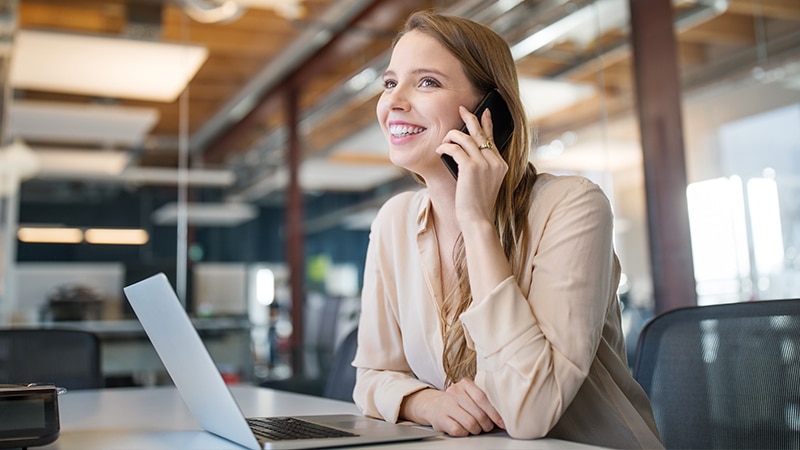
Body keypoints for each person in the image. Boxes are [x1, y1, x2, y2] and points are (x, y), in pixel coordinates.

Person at [351, 9, 663, 450]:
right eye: (389, 82)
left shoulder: (572, 206)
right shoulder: (393, 222)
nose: (393, 101)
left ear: (489, 111)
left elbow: (530, 410)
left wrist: (476, 222)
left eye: (426, 82)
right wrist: (430, 405)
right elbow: (371, 377)